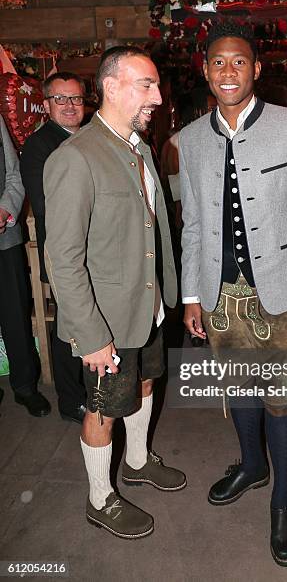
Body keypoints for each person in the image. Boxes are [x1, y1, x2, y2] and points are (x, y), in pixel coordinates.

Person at [179, 22, 287, 567]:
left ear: (257, 70)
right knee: (239, 390)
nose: (228, 71)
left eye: (238, 62)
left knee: (280, 402)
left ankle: (283, 503)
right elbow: (192, 226)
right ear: (205, 69)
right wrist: (191, 295)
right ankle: (251, 464)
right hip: (221, 297)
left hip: (285, 296)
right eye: (218, 62)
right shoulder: (190, 140)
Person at [44, 46, 185, 539]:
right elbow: (62, 259)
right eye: (146, 85)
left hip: (146, 309)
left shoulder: (139, 149)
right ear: (110, 87)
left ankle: (140, 461)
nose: (158, 96)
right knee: (102, 409)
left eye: (155, 85)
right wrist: (90, 334)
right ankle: (99, 498)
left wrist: (168, 298)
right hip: (104, 320)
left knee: (146, 385)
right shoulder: (76, 158)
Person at [21, 72, 86, 424]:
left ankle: (94, 392)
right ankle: (70, 399)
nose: (70, 106)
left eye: (75, 98)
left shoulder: (93, 134)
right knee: (69, 328)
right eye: (60, 99)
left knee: (94, 325)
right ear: (47, 105)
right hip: (64, 255)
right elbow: (46, 205)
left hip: (98, 252)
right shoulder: (39, 145)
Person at [0, 114, 50, 416]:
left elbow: (14, 174)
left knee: (15, 316)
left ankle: (25, 387)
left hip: (3, 238)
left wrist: (5, 208)